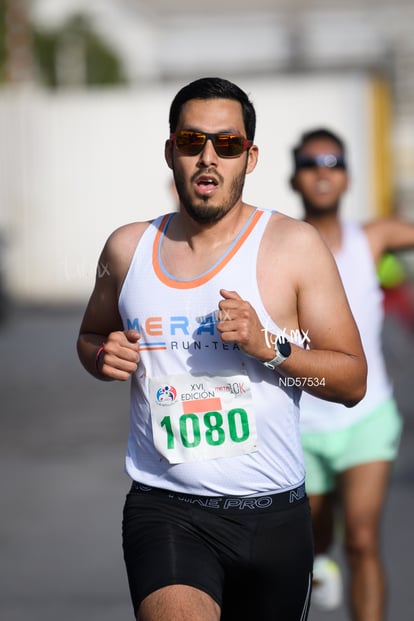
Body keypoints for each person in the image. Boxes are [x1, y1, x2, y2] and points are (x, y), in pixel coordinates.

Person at [77, 78, 367, 621]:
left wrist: (271, 347)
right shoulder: (126, 248)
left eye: (227, 144)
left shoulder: (294, 246)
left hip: (275, 516)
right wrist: (100, 355)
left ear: (249, 157)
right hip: (166, 509)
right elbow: (91, 336)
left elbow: (352, 383)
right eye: (192, 142)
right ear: (171, 151)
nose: (208, 157)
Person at [289, 127, 414, 621]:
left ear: (347, 177)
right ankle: (320, 559)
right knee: (317, 543)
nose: (322, 170)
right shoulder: (280, 243)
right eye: (311, 162)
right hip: (301, 426)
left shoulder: (373, 238)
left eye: (333, 161)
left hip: (367, 417)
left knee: (362, 540)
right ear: (294, 176)